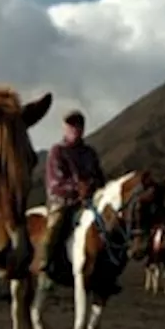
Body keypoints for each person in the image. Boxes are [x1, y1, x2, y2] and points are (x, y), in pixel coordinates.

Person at [37, 109, 106, 277]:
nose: (75, 128)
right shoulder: (57, 151)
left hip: (89, 199)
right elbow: (55, 182)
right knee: (55, 223)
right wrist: (77, 188)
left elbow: (99, 175)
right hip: (62, 200)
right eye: (71, 125)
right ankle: (44, 261)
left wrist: (93, 186)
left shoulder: (90, 153)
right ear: (64, 128)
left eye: (78, 125)